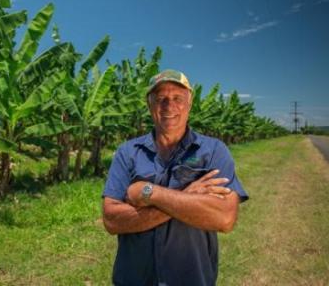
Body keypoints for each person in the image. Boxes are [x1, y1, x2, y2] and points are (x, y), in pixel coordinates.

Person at [102, 69, 249, 286]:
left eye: (177, 98)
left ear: (189, 104)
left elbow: (224, 218)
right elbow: (112, 220)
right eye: (161, 99)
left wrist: (150, 192)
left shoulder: (213, 151)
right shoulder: (128, 152)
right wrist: (189, 196)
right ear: (150, 105)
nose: (169, 106)